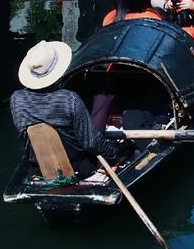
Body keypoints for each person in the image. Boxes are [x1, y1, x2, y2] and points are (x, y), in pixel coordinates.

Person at [10, 39, 132, 178]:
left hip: (38, 169)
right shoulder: (69, 98)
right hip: (78, 168)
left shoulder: (16, 99)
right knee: (102, 98)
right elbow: (91, 143)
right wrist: (115, 154)